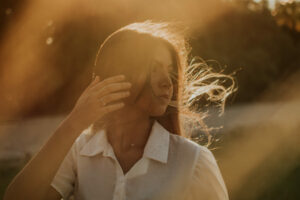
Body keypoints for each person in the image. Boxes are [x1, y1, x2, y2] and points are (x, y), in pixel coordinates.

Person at [4, 21, 233, 200]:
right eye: (154, 70)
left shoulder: (193, 161)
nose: (168, 83)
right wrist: (74, 123)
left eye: (170, 72)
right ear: (119, 74)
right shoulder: (80, 153)